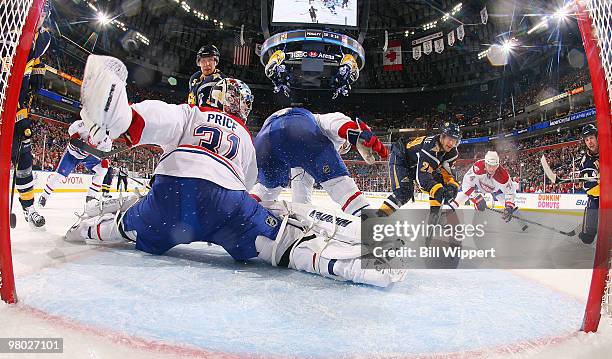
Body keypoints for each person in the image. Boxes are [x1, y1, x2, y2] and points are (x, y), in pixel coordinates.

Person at [66, 55, 405, 288]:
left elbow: (139, 121)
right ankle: (352, 268)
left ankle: (89, 228)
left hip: (170, 199)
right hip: (226, 205)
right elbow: (244, 188)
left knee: (132, 224)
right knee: (287, 242)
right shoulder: (243, 134)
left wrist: (112, 121)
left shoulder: (189, 113)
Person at [251, 108, 388, 216]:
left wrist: (303, 215)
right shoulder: (320, 120)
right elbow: (337, 122)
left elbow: (302, 192)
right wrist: (354, 134)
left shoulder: (303, 158)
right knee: (340, 186)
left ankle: (243, 212)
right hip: (297, 126)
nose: (341, 149)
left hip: (265, 137)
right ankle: (371, 228)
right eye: (343, 147)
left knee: (267, 189)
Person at [11, 3, 51, 227]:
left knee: (24, 159)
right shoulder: (11, 29)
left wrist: (39, 69)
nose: (41, 16)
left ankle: (29, 209)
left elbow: (34, 60)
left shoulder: (43, 38)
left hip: (18, 107)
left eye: (45, 12)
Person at [378, 122, 461, 219]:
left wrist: (452, 187)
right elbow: (422, 178)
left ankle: (433, 219)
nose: (451, 143)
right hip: (401, 157)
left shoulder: (452, 152)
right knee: (403, 193)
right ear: (442, 136)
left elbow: (449, 175)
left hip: (416, 163)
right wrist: (440, 192)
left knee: (439, 183)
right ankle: (378, 217)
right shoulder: (431, 147)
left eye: (454, 140)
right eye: (449, 139)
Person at [38, 119, 111, 207]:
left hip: (87, 156)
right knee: (59, 176)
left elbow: (105, 152)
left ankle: (91, 197)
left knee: (102, 170)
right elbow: (71, 128)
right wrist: (74, 135)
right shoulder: (84, 124)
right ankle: (44, 196)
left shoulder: (106, 140)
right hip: (72, 153)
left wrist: (105, 160)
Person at [450, 151, 517, 221]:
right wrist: (476, 198)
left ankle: (513, 214)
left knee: (507, 204)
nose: (491, 169)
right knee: (464, 194)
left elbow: (510, 192)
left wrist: (509, 206)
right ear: (485, 163)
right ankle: (448, 209)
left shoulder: (503, 176)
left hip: (496, 189)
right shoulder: (477, 167)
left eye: (494, 166)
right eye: (489, 165)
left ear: (498, 165)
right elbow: (467, 185)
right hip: (478, 185)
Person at [578, 124, 599, 244]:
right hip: (597, 198)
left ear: (597, 137)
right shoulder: (584, 162)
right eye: (586, 140)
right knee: (592, 201)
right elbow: (588, 187)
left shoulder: (608, 151)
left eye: (591, 137)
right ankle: (590, 230)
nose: (589, 142)